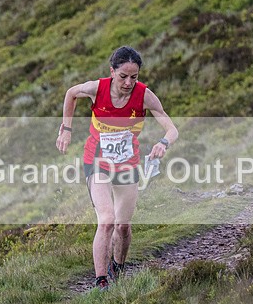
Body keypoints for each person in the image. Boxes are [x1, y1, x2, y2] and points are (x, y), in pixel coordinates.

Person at [56, 46, 178, 290]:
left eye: (134, 77)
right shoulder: (96, 88)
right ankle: (101, 282)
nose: (128, 82)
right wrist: (66, 128)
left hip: (127, 165)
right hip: (97, 162)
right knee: (107, 220)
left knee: (123, 226)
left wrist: (163, 143)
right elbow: (71, 93)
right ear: (112, 71)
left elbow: (172, 128)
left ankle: (118, 267)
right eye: (123, 76)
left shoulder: (144, 96)